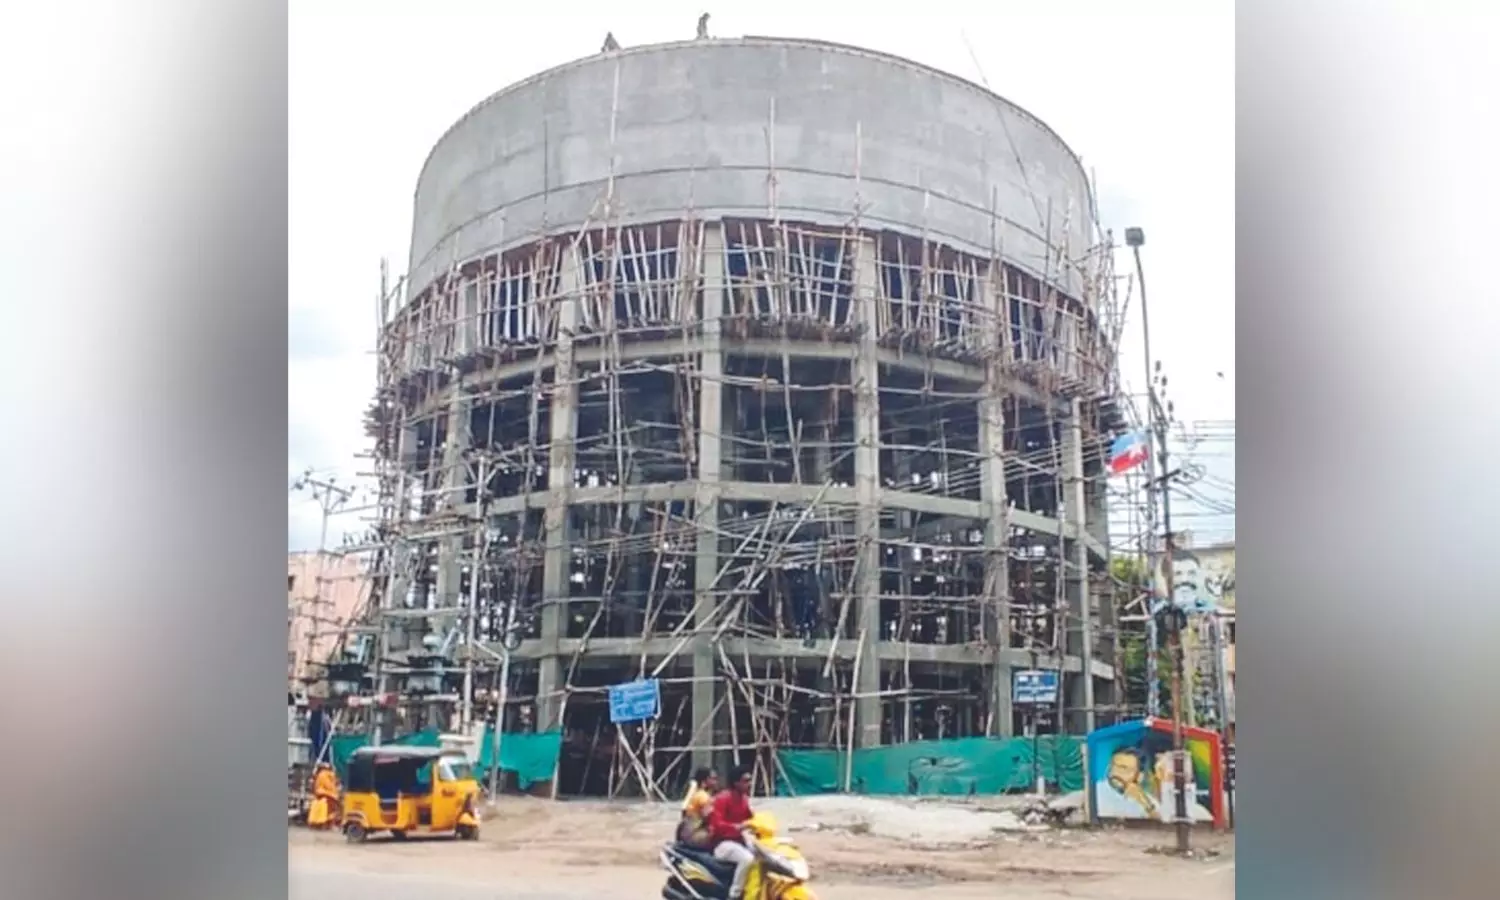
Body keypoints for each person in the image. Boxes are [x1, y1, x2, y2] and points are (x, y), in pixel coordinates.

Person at [707, 765, 756, 900]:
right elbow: (717, 824)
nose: (749, 784)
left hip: (739, 841)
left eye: (750, 780)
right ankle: (734, 894)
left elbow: (751, 818)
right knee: (748, 859)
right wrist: (736, 827)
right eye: (745, 781)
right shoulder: (722, 799)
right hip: (722, 844)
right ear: (736, 783)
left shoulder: (744, 799)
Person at [1092, 748, 1160, 820]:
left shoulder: (1148, 801)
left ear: (1140, 776)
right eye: (1114, 766)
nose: (1116, 772)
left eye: (1124, 768)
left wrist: (1146, 804)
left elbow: (1161, 823)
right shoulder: (1094, 792)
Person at [677, 767, 719, 847]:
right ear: (704, 781)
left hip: (687, 833)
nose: (716, 782)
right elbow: (710, 817)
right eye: (713, 779)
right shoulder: (702, 796)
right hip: (694, 835)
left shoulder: (699, 793)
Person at [307, 762, 341, 829]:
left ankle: (318, 823)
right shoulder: (327, 775)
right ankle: (330, 824)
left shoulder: (320, 775)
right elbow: (330, 787)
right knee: (335, 808)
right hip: (328, 795)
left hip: (320, 794)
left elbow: (316, 786)